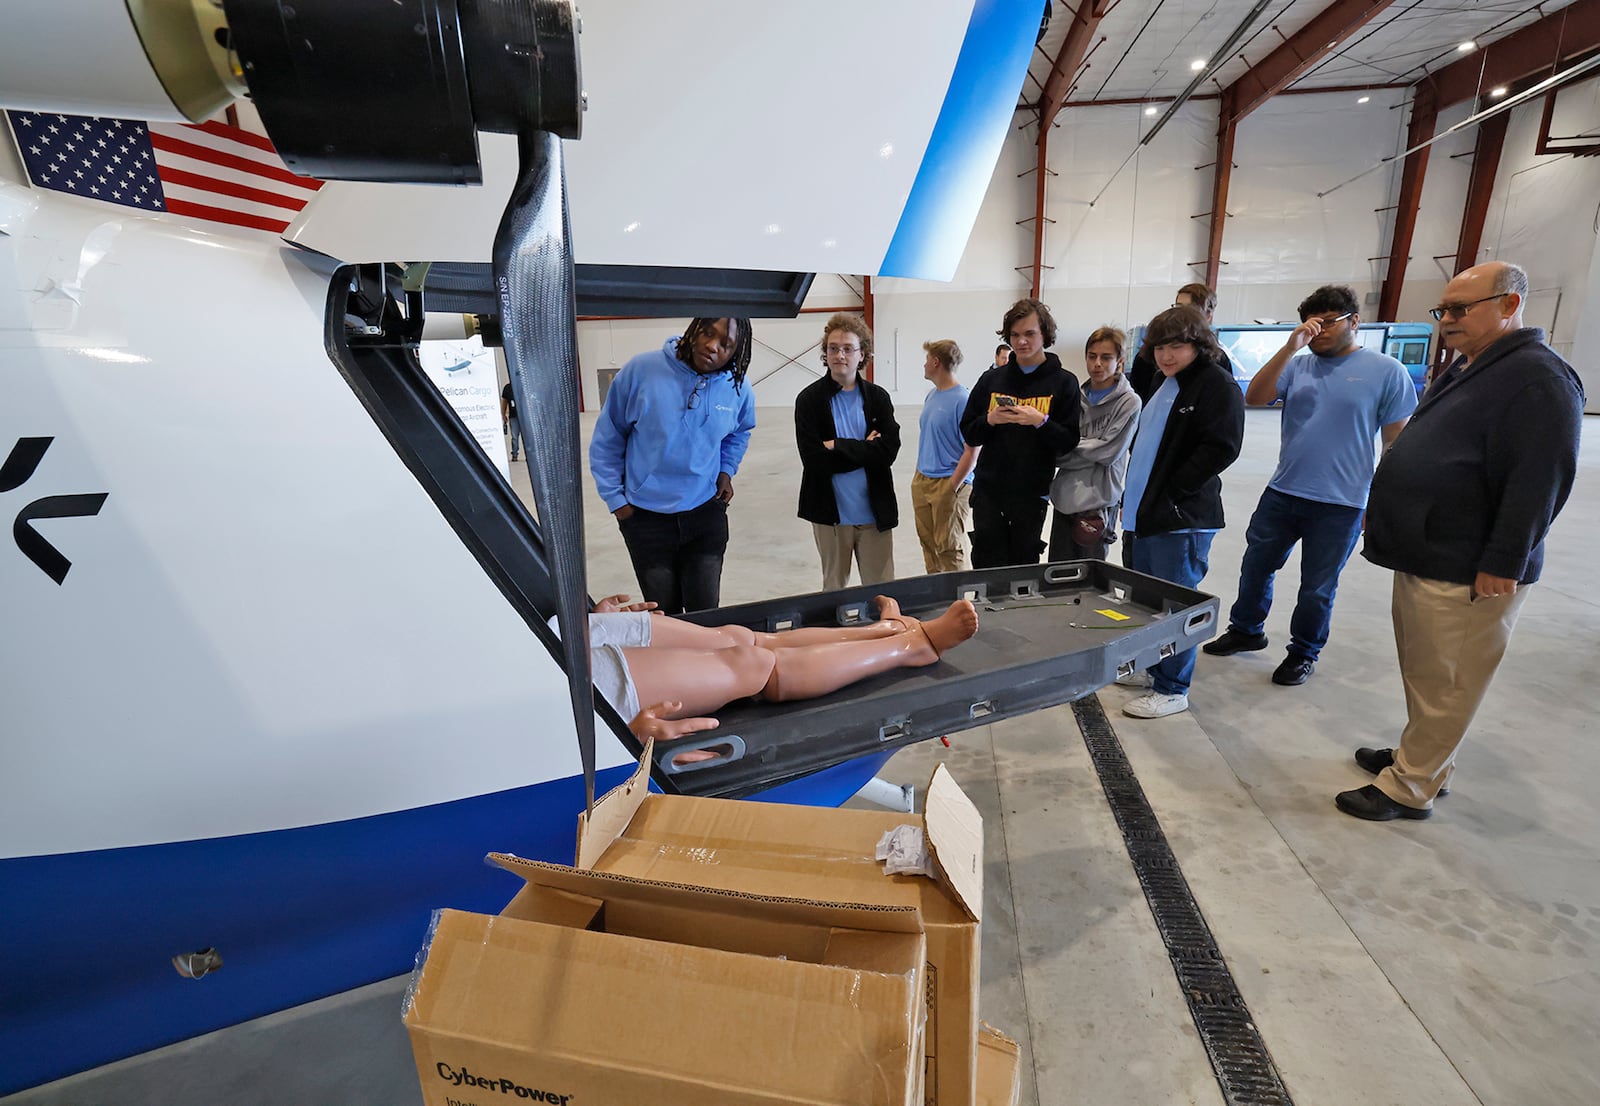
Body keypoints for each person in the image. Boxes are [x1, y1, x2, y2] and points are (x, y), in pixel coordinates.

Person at [1336, 261, 1584, 821]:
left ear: (1509, 305)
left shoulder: (1538, 379)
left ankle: (1411, 786)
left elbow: (1539, 480)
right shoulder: (1473, 366)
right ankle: (1422, 756)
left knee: (1450, 680)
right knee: (1428, 671)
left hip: (1473, 566)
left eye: (1459, 309)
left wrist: (1505, 560)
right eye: (1442, 310)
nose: (1446, 320)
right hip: (1432, 550)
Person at [1203, 285, 1417, 686]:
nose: (1319, 332)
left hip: (1342, 502)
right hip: (1284, 491)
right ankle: (1246, 630)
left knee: (1317, 587)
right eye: (1312, 324)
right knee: (1256, 566)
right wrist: (1289, 348)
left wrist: (1382, 501)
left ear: (1354, 321)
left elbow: (1395, 443)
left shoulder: (1387, 371)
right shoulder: (1298, 366)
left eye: (1329, 323)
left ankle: (1303, 652)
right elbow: (1256, 396)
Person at [581, 594, 980, 761]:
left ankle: (889, 631)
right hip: (590, 684)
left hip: (576, 636)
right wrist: (619, 740)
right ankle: (913, 647)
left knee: (738, 638)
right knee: (750, 664)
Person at [1115, 306, 1245, 719]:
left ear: (1198, 344)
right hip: (1143, 513)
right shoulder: (1161, 380)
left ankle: (1173, 687)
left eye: (1177, 346)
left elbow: (1221, 447)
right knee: (1147, 599)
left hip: (1178, 519)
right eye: (1160, 347)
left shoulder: (1215, 385)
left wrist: (1175, 492)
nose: (1167, 355)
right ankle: (1153, 669)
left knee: (1175, 603)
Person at [589, 318, 757, 614]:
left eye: (725, 344)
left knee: (705, 615)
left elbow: (739, 431)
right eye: (707, 333)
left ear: (736, 352)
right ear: (695, 329)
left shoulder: (737, 388)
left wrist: (726, 469)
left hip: (704, 513)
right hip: (645, 518)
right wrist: (617, 501)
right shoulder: (641, 371)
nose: (711, 346)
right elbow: (608, 437)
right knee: (664, 615)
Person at [960, 298, 1081, 568]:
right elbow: (969, 433)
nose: (1021, 342)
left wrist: (1041, 421)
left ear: (1045, 335)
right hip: (989, 493)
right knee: (985, 566)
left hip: (1031, 495)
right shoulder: (991, 380)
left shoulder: (1064, 383)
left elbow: (1069, 441)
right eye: (1014, 335)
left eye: (1029, 334)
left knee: (1023, 572)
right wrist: (990, 420)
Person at [795, 313, 901, 589]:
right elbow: (814, 459)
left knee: (882, 593)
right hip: (831, 515)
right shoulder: (809, 400)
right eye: (833, 348)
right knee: (833, 592)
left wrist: (838, 446)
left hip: (873, 514)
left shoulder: (878, 398)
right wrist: (866, 448)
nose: (839, 355)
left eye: (847, 349)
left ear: (862, 353)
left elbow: (888, 451)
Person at [1048, 326, 1141, 561]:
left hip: (1097, 505)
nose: (1097, 363)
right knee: (1056, 580)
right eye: (1092, 356)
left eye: (1106, 357)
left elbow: (1109, 451)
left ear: (1119, 360)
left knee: (1090, 584)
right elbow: (1056, 451)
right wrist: (1088, 447)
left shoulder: (1128, 402)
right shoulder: (1074, 397)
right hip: (1064, 501)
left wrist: (1071, 446)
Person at [912, 339, 978, 573]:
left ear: (936, 362)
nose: (924, 365)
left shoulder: (963, 399)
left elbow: (973, 450)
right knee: (929, 545)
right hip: (923, 480)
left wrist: (952, 487)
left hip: (949, 482)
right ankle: (938, 601)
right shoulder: (932, 395)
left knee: (949, 548)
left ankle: (957, 604)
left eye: (927, 360)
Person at [1128, 283, 1232, 399]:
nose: (1166, 357)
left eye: (1176, 346)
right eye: (1179, 306)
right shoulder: (1147, 358)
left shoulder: (1219, 366)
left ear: (1208, 315)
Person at [500, 381, 520, 462]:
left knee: (529, 436)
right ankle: (514, 454)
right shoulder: (508, 388)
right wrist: (503, 414)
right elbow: (504, 402)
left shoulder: (525, 386)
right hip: (513, 416)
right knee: (514, 437)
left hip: (525, 416)